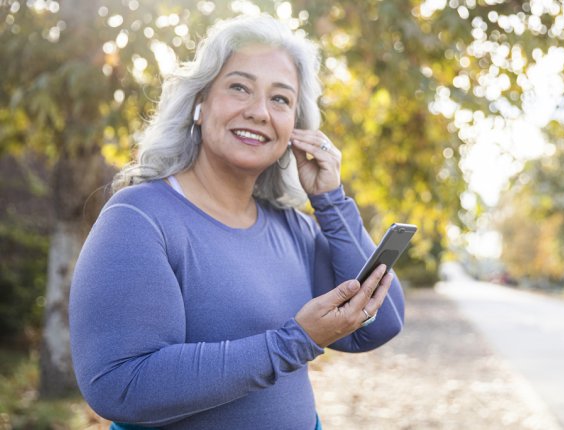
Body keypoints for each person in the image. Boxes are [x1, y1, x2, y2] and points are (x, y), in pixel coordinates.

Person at [69, 14, 405, 429]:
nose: (260, 111)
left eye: (281, 99)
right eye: (239, 88)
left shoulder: (292, 228)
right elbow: (120, 385)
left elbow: (380, 322)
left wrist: (330, 200)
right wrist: (295, 342)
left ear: (295, 128)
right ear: (199, 103)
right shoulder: (139, 218)